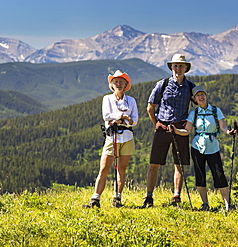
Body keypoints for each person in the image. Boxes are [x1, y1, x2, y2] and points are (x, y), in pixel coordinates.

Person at [172, 85, 237, 211]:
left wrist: (229, 132)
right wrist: (175, 130)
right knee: (200, 175)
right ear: (194, 99)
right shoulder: (194, 113)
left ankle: (228, 204)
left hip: (213, 146)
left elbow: (223, 127)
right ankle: (205, 204)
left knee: (219, 174)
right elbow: (187, 131)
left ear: (206, 96)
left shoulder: (215, 110)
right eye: (198, 96)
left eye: (202, 94)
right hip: (197, 147)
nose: (201, 97)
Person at [143, 54, 195, 208]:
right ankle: (149, 197)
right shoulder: (162, 84)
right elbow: (150, 107)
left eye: (181, 66)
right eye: (175, 66)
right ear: (171, 67)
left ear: (186, 68)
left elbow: (201, 103)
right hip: (163, 126)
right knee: (154, 164)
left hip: (180, 128)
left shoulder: (191, 87)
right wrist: (157, 124)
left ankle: (176, 198)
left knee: (179, 165)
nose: (178, 68)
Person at [84, 70, 138, 208]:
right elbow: (107, 116)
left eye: (121, 82)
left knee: (121, 169)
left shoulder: (131, 100)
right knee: (104, 169)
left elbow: (135, 121)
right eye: (116, 82)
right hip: (112, 137)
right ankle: (95, 198)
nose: (119, 84)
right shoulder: (107, 99)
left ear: (126, 84)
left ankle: (117, 198)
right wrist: (124, 118)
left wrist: (119, 120)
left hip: (127, 137)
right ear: (112, 85)